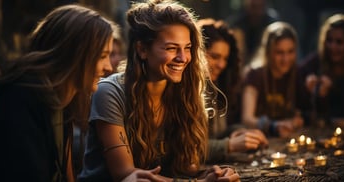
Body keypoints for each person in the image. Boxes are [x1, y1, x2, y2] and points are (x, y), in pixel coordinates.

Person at [79, 0, 240, 181]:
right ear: (142, 49)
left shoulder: (184, 91)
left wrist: (213, 174)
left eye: (187, 48)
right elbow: (128, 175)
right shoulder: (110, 92)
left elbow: (188, 167)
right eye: (171, 48)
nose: (183, 58)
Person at [0, 4, 114, 181]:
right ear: (73, 54)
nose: (108, 67)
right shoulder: (22, 99)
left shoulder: (62, 100)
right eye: (102, 56)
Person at [197, 18, 268, 163]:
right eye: (215, 56)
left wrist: (239, 132)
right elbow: (188, 149)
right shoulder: (186, 90)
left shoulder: (216, 85)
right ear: (197, 52)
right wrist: (230, 145)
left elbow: (216, 135)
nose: (222, 65)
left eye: (225, 59)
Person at [241, 21, 304, 138]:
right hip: (259, 138)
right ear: (268, 52)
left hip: (286, 138)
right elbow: (247, 119)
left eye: (290, 52)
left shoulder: (296, 73)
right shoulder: (255, 75)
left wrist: (296, 121)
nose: (286, 59)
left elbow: (302, 113)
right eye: (279, 52)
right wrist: (274, 126)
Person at [299, 13, 344, 124]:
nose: (332, 47)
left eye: (339, 42)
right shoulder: (314, 65)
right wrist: (311, 93)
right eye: (329, 40)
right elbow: (307, 112)